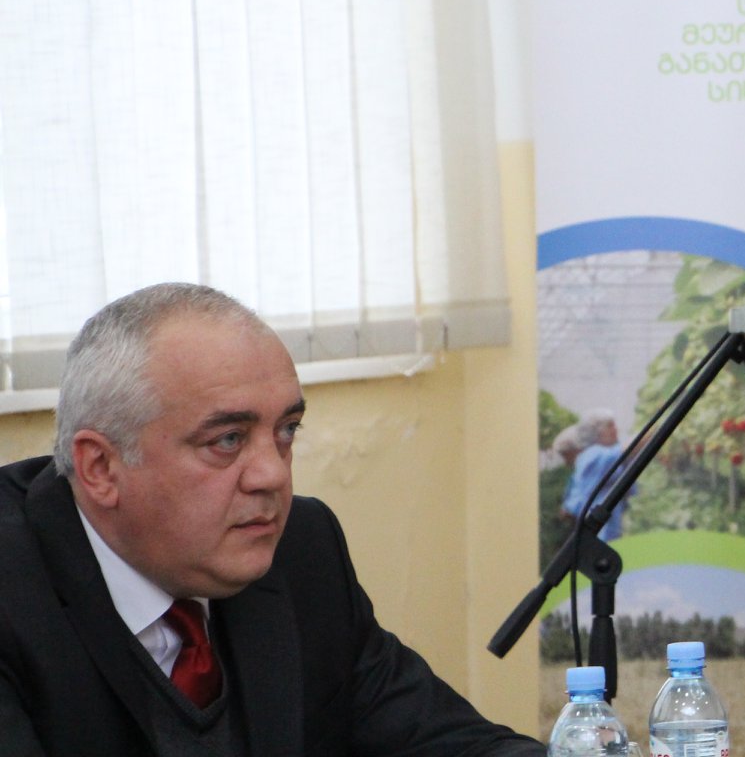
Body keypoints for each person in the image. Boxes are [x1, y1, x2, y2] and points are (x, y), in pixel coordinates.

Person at [0, 282, 544, 755]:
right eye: (227, 440)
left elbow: (448, 741)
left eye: (286, 431)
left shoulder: (301, 548)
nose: (273, 475)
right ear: (100, 467)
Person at [558, 408, 632, 542]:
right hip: (602, 531)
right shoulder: (593, 456)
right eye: (610, 426)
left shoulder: (593, 457)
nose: (616, 430)